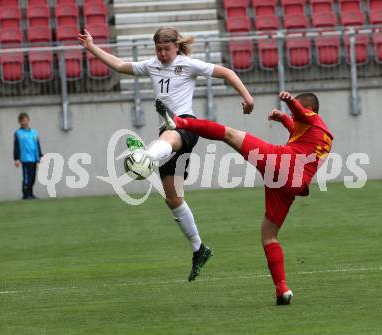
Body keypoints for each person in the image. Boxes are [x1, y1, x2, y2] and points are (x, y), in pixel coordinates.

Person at [77, 27, 255, 281]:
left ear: (176, 46)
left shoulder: (188, 65)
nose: (162, 54)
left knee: (169, 134)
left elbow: (226, 72)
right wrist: (92, 47)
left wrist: (247, 98)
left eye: (166, 49)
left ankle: (147, 156)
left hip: (186, 125)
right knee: (172, 197)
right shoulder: (151, 65)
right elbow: (119, 65)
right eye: (158, 49)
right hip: (167, 133)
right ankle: (199, 248)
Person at [155, 91, 334, 305]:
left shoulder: (310, 117)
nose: (294, 116)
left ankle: (180, 122)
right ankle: (282, 289)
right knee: (269, 236)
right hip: (293, 185)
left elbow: (301, 114)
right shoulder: (322, 134)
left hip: (282, 164)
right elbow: (297, 128)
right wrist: (283, 118)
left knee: (228, 134)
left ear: (309, 109)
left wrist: (290, 101)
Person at [13, 113, 43, 200]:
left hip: (34, 158)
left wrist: (40, 156)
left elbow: (37, 144)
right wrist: (16, 158)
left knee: (32, 177)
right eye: (22, 121)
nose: (24, 122)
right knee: (27, 177)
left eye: (25, 120)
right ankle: (25, 195)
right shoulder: (18, 133)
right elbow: (16, 146)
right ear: (20, 122)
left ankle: (31, 193)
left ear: (28, 120)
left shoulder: (34, 132)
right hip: (25, 158)